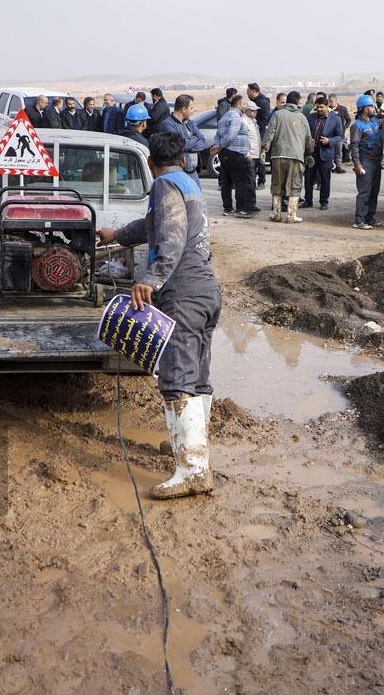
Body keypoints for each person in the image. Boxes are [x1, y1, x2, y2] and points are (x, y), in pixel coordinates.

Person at [96, 132, 221, 499]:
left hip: (182, 292)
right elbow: (152, 225)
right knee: (196, 375)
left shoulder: (164, 186)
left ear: (150, 163)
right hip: (206, 291)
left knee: (177, 376)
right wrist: (114, 234)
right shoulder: (187, 183)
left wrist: (150, 280)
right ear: (183, 158)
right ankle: (191, 445)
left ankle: (193, 471)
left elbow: (171, 237)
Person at [261, 90, 314, 223]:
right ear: (297, 102)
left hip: (278, 155)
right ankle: (292, 215)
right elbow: (308, 139)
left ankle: (276, 214)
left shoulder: (278, 114)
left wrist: (264, 149)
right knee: (295, 185)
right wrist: (308, 154)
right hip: (296, 157)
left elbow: (269, 133)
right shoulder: (302, 118)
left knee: (277, 185)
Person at [156, 94, 212, 183]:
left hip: (194, 173)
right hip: (180, 174)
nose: (194, 111)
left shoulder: (190, 123)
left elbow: (203, 142)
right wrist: (194, 139)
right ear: (184, 109)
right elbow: (179, 145)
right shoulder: (167, 125)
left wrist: (188, 145)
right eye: (191, 108)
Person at [303, 96, 344, 210]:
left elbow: (340, 136)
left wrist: (329, 141)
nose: (319, 109)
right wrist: (308, 139)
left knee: (325, 179)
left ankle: (324, 201)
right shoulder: (310, 118)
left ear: (327, 107)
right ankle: (308, 200)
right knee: (308, 178)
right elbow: (304, 132)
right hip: (311, 153)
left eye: (321, 107)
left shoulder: (335, 119)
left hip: (325, 153)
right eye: (317, 107)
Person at [349, 94, 383, 230]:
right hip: (365, 161)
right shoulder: (357, 126)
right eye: (371, 106)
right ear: (363, 109)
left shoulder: (374, 122)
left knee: (374, 191)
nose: (373, 108)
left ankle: (370, 217)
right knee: (365, 192)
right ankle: (360, 220)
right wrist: (357, 164)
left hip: (376, 161)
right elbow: (354, 146)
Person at [215, 96, 252, 213]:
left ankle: (228, 208)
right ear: (238, 104)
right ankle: (241, 209)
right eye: (244, 104)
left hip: (226, 153)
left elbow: (217, 136)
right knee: (241, 182)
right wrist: (221, 146)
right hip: (235, 154)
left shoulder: (224, 116)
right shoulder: (235, 116)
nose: (245, 106)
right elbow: (231, 135)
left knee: (226, 182)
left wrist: (219, 147)